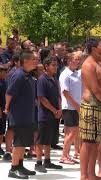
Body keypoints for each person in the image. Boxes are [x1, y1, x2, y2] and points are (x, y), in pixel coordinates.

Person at [79, 37, 101, 180]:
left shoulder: (98, 62)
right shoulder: (88, 65)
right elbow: (95, 89)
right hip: (92, 106)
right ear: (93, 48)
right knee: (88, 142)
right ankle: (84, 175)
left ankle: (92, 174)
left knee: (96, 142)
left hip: (100, 107)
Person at [5, 49, 37, 179]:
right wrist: (7, 107)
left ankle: (20, 165)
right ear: (26, 61)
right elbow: (9, 93)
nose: (36, 62)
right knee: (18, 142)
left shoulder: (28, 75)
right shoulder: (18, 75)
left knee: (24, 142)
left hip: (27, 115)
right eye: (34, 59)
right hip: (19, 115)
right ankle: (13, 169)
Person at [35, 56, 63, 173]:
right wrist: (54, 110)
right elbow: (42, 98)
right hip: (45, 115)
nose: (55, 67)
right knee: (41, 140)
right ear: (46, 66)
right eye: (53, 65)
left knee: (49, 139)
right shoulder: (42, 79)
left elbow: (58, 96)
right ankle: (38, 162)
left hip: (54, 115)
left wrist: (60, 110)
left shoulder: (54, 79)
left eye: (56, 65)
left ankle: (47, 160)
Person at [59, 51, 82, 164]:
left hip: (75, 107)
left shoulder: (76, 73)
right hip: (70, 107)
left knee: (72, 132)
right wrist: (77, 106)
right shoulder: (65, 74)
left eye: (79, 59)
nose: (78, 61)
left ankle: (67, 154)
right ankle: (63, 156)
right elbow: (65, 92)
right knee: (72, 132)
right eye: (75, 59)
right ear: (69, 61)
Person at [0, 65, 8, 157]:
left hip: (4, 109)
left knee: (2, 130)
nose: (5, 73)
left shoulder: (5, 82)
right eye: (4, 72)